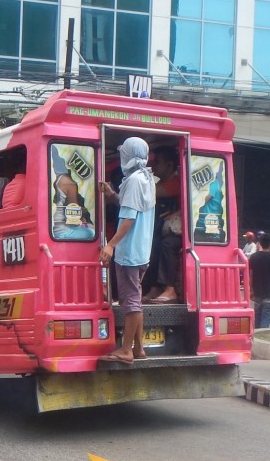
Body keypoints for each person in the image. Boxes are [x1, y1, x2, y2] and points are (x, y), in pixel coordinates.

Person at [98, 137, 156, 363]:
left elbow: (129, 219)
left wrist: (111, 245)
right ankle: (139, 348)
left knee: (131, 303)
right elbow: (129, 204)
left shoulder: (133, 180)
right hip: (141, 251)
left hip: (129, 253)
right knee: (136, 300)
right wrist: (112, 194)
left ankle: (126, 350)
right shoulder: (146, 177)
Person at [142, 145, 181, 303]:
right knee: (153, 243)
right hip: (165, 228)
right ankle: (155, 287)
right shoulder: (165, 182)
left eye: (157, 162)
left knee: (165, 244)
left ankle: (170, 288)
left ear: (169, 165)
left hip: (178, 232)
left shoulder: (175, 182)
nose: (153, 166)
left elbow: (148, 193)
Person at [50, 145, 95, 240]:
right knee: (93, 232)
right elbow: (74, 215)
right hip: (63, 231)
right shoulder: (69, 183)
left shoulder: (52, 179)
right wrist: (83, 216)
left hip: (52, 229)